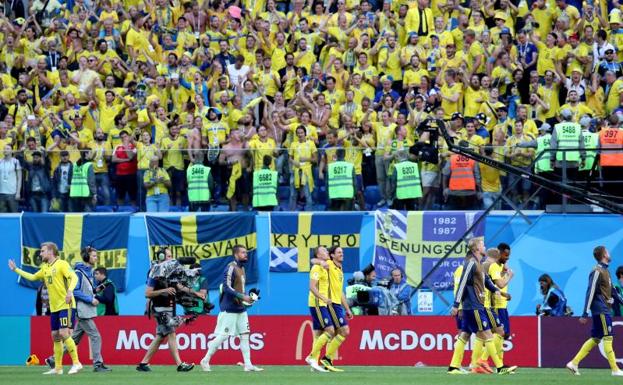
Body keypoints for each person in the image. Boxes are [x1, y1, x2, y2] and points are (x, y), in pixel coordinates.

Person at [8, 242, 82, 375]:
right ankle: (58, 368)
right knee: (55, 336)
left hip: (67, 305)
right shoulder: (45, 267)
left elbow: (74, 277)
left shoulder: (62, 264)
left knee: (64, 333)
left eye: (42, 251)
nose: (40, 253)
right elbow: (32, 277)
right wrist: (16, 270)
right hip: (54, 308)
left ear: (50, 252)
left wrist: (70, 291)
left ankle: (76, 363)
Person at [448, 237, 515, 375]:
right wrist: (456, 305)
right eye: (482, 245)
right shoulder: (471, 263)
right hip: (474, 305)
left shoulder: (478, 263)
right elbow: (462, 284)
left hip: (473, 305)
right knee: (488, 335)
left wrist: (496, 290)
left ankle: (454, 366)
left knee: (465, 335)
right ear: (476, 248)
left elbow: (487, 281)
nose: (485, 247)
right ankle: (499, 367)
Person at [45, 247, 111, 372]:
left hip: (85, 309)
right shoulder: (79, 273)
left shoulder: (89, 272)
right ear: (87, 257)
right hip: (82, 309)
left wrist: (96, 290)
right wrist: (90, 299)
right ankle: (98, 364)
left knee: (74, 339)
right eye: (94, 256)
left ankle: (53, 359)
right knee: (96, 336)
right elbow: (74, 291)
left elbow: (86, 289)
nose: (96, 258)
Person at [200, 245, 263, 372]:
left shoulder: (242, 269)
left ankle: (248, 364)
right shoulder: (230, 268)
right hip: (229, 309)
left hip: (241, 309)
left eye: (246, 252)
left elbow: (240, 290)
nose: (246, 254)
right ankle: (205, 360)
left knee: (245, 335)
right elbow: (227, 288)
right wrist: (242, 297)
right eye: (243, 253)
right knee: (223, 336)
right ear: (236, 254)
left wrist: (247, 300)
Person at [567, 246, 623, 376]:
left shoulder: (605, 271)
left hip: (604, 309)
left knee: (596, 338)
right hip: (601, 310)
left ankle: (574, 363)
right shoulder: (597, 270)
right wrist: (585, 312)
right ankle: (615, 370)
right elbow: (590, 291)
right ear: (603, 255)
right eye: (607, 252)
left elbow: (613, 292)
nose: (609, 253)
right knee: (608, 337)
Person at [136, 253, 195, 372]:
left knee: (160, 336)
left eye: (171, 256)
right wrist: (165, 290)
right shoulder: (154, 272)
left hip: (168, 308)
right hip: (159, 309)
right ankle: (180, 364)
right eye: (168, 256)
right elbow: (147, 293)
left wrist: (195, 294)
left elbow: (179, 287)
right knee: (171, 333)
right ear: (161, 258)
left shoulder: (171, 273)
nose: (171, 259)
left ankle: (143, 363)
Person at [318, 246, 354, 372]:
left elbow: (340, 292)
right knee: (345, 331)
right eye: (339, 252)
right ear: (332, 255)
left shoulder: (339, 269)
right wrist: (321, 262)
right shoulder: (328, 264)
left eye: (342, 252)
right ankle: (325, 358)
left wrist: (347, 309)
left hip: (338, 304)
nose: (342, 254)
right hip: (331, 303)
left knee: (337, 333)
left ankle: (327, 362)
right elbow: (315, 261)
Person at [304, 246, 333, 372]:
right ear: (319, 255)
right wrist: (324, 298)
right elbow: (312, 286)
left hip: (321, 304)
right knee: (330, 331)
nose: (327, 252)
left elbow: (313, 260)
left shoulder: (324, 265)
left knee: (318, 334)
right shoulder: (316, 267)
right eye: (324, 251)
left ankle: (314, 363)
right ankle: (311, 356)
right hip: (318, 304)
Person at [0, 144, 22, 212]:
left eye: (8, 148)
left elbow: (19, 178)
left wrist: (18, 192)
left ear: (12, 151)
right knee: (2, 216)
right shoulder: (0, 161)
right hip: (1, 193)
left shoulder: (15, 162)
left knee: (13, 214)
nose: (5, 150)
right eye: (4, 148)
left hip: (12, 193)